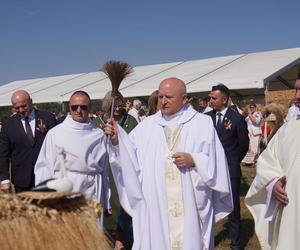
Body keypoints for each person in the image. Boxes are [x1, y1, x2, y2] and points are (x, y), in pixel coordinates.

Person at [105, 77, 233, 250]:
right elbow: (129, 156)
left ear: (184, 98)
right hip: (156, 202)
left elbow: (216, 161)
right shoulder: (147, 126)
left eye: (168, 97)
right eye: (160, 97)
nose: (163, 101)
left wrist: (194, 160)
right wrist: (116, 139)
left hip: (190, 201)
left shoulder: (202, 124)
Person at [34, 91, 109, 211]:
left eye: (83, 107)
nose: (78, 111)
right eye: (74, 107)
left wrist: (106, 199)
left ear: (90, 108)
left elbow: (104, 169)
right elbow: (44, 166)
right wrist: (46, 196)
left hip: (90, 191)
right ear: (69, 108)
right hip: (63, 189)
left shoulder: (99, 135)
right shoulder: (55, 133)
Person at [245, 117, 300, 250]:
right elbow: (268, 159)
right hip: (290, 205)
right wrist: (273, 181)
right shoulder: (289, 128)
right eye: (296, 94)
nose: (297, 96)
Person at [93, 91, 138, 250]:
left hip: (123, 169)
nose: (118, 109)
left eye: (120, 105)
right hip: (105, 170)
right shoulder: (96, 122)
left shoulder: (130, 121)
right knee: (107, 205)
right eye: (114, 106)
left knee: (122, 204)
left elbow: (135, 144)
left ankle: (123, 239)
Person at [206, 83, 249, 250]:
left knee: (233, 207)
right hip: (209, 169)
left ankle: (236, 243)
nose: (210, 101)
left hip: (230, 169)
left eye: (213, 98)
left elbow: (243, 145)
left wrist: (230, 161)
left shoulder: (237, 119)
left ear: (224, 100)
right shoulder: (207, 118)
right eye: (210, 97)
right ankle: (207, 239)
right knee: (206, 204)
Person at [0, 90, 56, 193]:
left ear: (31, 101)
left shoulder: (48, 118)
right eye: (16, 108)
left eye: (24, 106)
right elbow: (3, 154)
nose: (21, 110)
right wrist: (4, 179)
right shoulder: (7, 125)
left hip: (47, 177)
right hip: (22, 180)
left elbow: (58, 146)